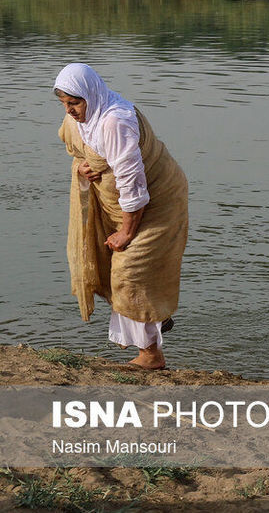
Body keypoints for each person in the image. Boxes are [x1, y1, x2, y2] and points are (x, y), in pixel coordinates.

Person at [54, 63, 188, 370]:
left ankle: (151, 356)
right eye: (63, 103)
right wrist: (83, 167)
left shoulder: (115, 121)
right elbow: (78, 148)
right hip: (117, 204)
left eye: (74, 103)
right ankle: (156, 319)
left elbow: (133, 184)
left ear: (91, 95)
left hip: (157, 202)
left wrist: (127, 232)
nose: (69, 110)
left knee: (130, 271)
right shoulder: (81, 117)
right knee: (106, 265)